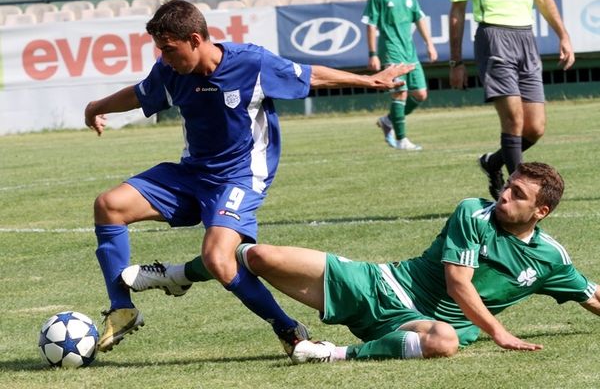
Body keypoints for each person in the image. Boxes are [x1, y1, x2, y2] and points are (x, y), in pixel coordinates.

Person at [84, 0, 412, 354]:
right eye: (160, 50)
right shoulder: (170, 72)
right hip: (193, 173)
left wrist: (368, 80)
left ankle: (289, 330)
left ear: (195, 39)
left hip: (240, 177)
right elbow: (139, 94)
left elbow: (310, 74)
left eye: (169, 49)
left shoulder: (250, 63)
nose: (163, 57)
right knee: (110, 205)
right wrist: (97, 106)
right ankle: (122, 308)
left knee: (218, 259)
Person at [129, 162, 600, 362]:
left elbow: (590, 295)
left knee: (446, 342)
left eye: (517, 194)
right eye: (508, 184)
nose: (504, 194)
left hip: (415, 324)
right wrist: (499, 332)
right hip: (379, 284)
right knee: (256, 255)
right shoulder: (472, 212)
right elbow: (459, 284)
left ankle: (330, 354)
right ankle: (175, 275)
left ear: (540, 212)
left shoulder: (551, 260)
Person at [449, 0, 575, 199]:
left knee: (535, 128)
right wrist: (456, 61)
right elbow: (457, 11)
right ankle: (521, 194)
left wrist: (564, 36)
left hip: (526, 38)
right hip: (493, 37)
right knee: (513, 121)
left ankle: (493, 162)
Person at [362, 0, 438, 151]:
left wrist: (429, 44)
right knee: (400, 93)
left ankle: (388, 120)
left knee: (420, 94)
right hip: (391, 51)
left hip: (409, 51)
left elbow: (419, 18)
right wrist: (373, 54)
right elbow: (370, 24)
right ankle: (401, 140)